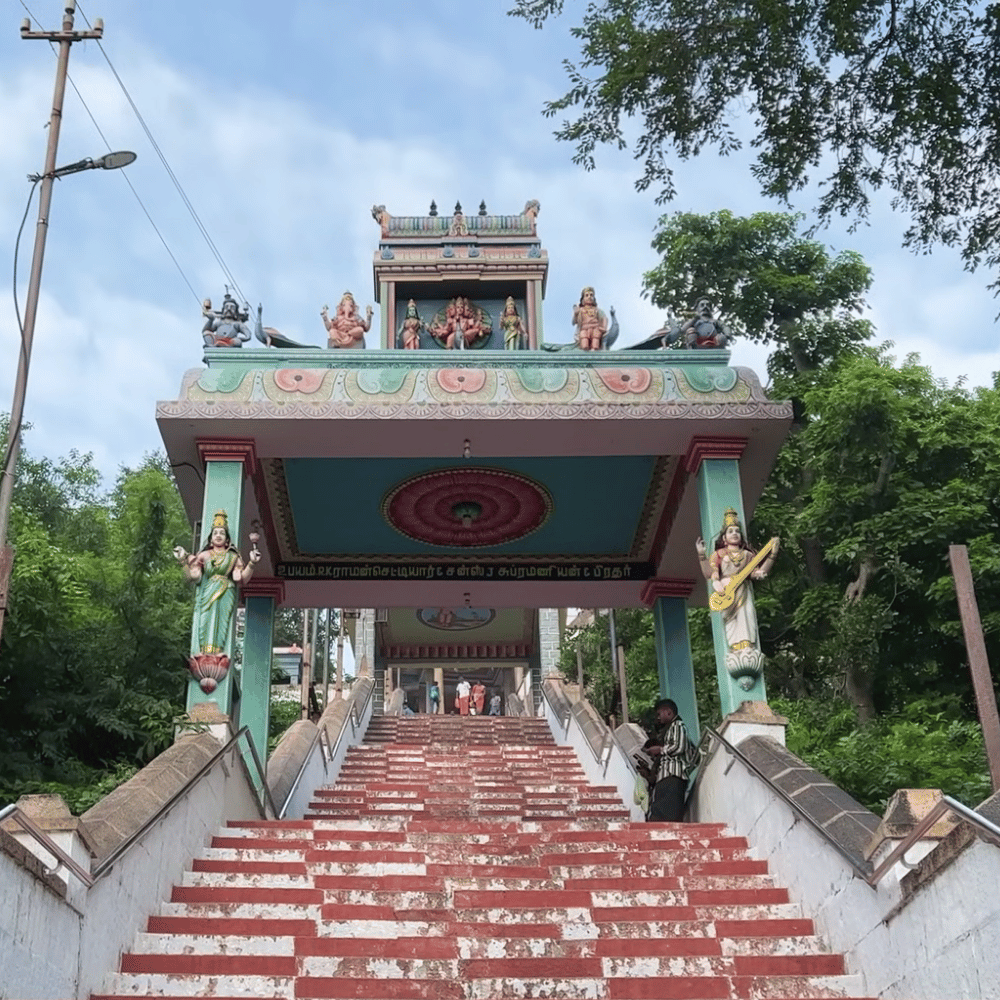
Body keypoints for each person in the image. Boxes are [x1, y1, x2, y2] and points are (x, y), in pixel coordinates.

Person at [696, 507, 779, 685]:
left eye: (737, 531)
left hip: (744, 591)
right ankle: (737, 648)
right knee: (732, 622)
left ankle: (747, 647)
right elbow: (711, 574)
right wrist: (702, 556)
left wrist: (772, 555)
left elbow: (759, 573)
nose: (735, 534)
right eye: (730, 531)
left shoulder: (748, 555)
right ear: (724, 538)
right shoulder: (718, 555)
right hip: (728, 592)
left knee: (747, 616)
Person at [173, 510, 260, 674]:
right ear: (211, 538)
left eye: (222, 533)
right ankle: (206, 653)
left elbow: (240, 578)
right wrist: (183, 561)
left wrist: (252, 564)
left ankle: (217, 651)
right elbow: (194, 576)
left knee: (221, 622)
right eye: (215, 533)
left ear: (227, 539)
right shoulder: (204, 555)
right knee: (206, 621)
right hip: (208, 592)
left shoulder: (233, 557)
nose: (218, 535)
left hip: (225, 592)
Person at [645, 698, 698, 822]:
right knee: (661, 807)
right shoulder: (669, 729)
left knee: (670, 809)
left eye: (659, 714)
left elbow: (679, 747)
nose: (658, 718)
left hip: (674, 774)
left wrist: (660, 750)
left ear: (668, 712)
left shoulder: (678, 725)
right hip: (665, 775)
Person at [572, 286, 609, 351]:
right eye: (587, 295)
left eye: (591, 295)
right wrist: (576, 314)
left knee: (595, 345)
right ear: (583, 299)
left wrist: (603, 328)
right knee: (584, 345)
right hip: (584, 329)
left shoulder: (597, 310)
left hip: (596, 329)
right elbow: (574, 322)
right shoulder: (580, 310)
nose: (589, 297)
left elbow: (604, 318)